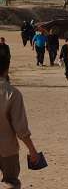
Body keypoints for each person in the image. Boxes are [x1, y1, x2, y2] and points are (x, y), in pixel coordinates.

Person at [0, 52, 40, 189]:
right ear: (6, 69)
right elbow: (20, 128)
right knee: (11, 181)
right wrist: (32, 150)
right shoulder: (12, 93)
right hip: (6, 149)